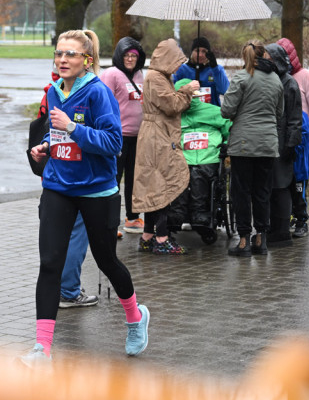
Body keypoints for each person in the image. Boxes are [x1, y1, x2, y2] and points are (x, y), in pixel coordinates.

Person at [24, 29, 148, 365]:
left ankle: (136, 317)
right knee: (50, 264)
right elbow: (59, 138)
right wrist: (45, 150)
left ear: (87, 60)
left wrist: (73, 127)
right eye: (58, 53)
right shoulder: (52, 92)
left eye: (71, 54)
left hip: (97, 192)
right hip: (58, 190)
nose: (62, 59)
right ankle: (41, 351)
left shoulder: (98, 93)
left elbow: (113, 143)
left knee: (107, 261)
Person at [36, 66, 99, 308]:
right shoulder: (62, 92)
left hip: (54, 178)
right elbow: (55, 132)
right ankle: (69, 291)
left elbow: (50, 133)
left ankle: (63, 289)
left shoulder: (53, 89)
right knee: (75, 234)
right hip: (72, 179)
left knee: (58, 238)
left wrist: (44, 144)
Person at [133, 39, 200, 255]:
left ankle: (148, 236)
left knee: (154, 184)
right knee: (161, 184)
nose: (178, 65)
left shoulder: (158, 76)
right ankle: (161, 239)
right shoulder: (156, 78)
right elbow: (172, 105)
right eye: (176, 60)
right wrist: (188, 90)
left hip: (155, 134)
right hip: (157, 137)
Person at [220, 41, 283, 257]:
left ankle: (243, 241)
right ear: (264, 55)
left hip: (244, 145)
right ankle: (261, 240)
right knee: (262, 192)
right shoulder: (276, 79)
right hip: (267, 144)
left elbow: (226, 110)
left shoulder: (241, 77)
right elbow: (279, 113)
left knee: (242, 192)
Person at [167, 78, 231, 234]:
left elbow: (230, 127)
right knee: (181, 175)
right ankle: (177, 214)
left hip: (208, 158)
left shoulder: (213, 111)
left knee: (198, 175)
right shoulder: (173, 116)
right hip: (183, 158)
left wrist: (227, 144)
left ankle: (200, 214)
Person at [99, 37, 146, 234]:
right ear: (119, 55)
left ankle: (133, 218)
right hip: (117, 137)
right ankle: (109, 223)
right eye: (126, 55)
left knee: (135, 179)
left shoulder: (139, 75)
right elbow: (102, 102)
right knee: (113, 179)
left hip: (138, 137)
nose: (129, 59)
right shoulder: (111, 74)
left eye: (133, 56)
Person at [276, 38, 309, 237]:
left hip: (301, 138)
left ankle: (301, 219)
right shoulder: (275, 77)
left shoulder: (304, 77)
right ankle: (284, 217)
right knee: (283, 180)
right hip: (281, 137)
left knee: (299, 180)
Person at [264, 43, 304, 247]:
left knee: (281, 187)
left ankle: (281, 231)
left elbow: (295, 118)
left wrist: (290, 144)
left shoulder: (289, 83)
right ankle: (273, 228)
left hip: (282, 143)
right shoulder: (272, 80)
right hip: (271, 141)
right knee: (271, 186)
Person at [173, 36, 229, 106]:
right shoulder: (181, 70)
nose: (200, 55)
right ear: (192, 52)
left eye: (204, 51)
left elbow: (225, 90)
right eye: (197, 51)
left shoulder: (217, 69)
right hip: (190, 112)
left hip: (211, 112)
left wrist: (215, 68)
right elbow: (171, 91)